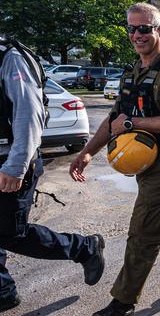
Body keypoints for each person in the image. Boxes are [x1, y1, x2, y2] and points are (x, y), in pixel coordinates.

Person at [69, 3, 160, 316]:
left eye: (144, 28)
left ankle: (123, 301)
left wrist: (132, 124)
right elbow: (115, 117)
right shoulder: (133, 73)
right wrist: (87, 152)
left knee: (144, 229)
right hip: (142, 160)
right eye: (132, 28)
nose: (137, 35)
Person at [0, 37, 104, 312]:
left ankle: (83, 248)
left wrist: (15, 166)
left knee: (11, 233)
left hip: (9, 161)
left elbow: (28, 114)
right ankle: (3, 291)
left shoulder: (9, 58)